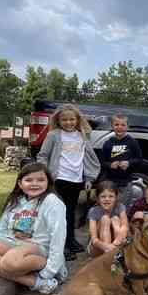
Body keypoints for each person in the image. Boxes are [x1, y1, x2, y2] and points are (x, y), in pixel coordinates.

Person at [0, 162, 67, 294]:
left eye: (41, 180)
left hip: (38, 247)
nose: (34, 183)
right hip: (13, 243)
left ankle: (43, 272)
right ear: (20, 183)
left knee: (10, 263)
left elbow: (58, 235)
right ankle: (36, 283)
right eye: (29, 180)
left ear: (48, 182)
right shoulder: (15, 201)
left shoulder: (52, 202)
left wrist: (51, 269)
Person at [37, 103, 101, 261]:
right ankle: (61, 246)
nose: (68, 122)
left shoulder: (82, 136)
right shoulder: (54, 135)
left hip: (76, 180)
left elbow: (87, 158)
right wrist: (45, 175)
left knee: (71, 212)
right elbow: (43, 155)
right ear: (58, 121)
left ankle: (70, 240)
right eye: (64, 120)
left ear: (77, 120)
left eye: (72, 119)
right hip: (59, 179)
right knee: (60, 213)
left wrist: (89, 178)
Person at [101, 113, 143, 207]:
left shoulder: (132, 142)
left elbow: (139, 160)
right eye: (116, 125)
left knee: (123, 207)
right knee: (110, 206)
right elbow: (102, 162)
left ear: (127, 127)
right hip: (110, 182)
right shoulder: (108, 143)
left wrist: (129, 163)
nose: (119, 127)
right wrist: (110, 165)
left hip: (126, 182)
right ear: (112, 126)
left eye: (123, 125)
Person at [86, 180, 128, 257]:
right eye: (103, 196)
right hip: (97, 247)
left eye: (111, 196)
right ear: (98, 199)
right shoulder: (94, 211)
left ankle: (115, 254)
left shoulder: (120, 207)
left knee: (115, 219)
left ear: (116, 197)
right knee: (105, 219)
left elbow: (125, 227)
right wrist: (106, 247)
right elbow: (94, 239)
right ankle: (108, 256)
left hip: (115, 244)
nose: (107, 199)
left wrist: (115, 244)